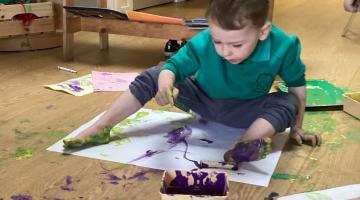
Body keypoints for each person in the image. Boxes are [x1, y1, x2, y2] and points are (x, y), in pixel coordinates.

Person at [64, 0, 320, 162]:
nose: (224, 51)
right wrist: (166, 81)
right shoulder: (204, 40)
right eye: (218, 41)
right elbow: (173, 66)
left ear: (263, 32)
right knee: (154, 73)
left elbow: (298, 88)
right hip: (201, 99)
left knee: (287, 101)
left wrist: (297, 128)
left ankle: (245, 144)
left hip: (246, 112)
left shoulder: (285, 46)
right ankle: (101, 128)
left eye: (236, 44)